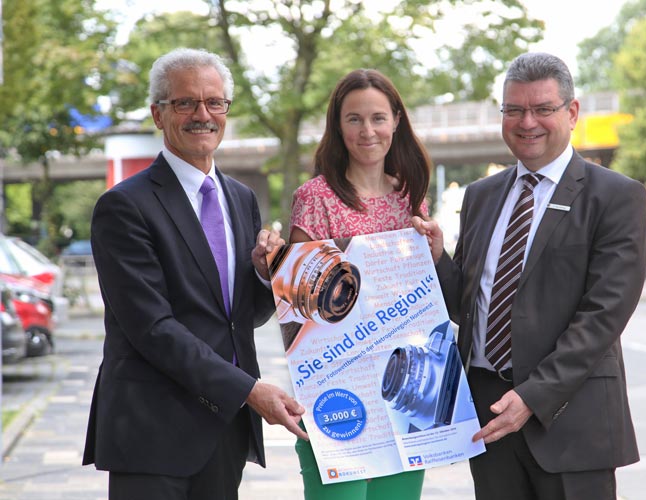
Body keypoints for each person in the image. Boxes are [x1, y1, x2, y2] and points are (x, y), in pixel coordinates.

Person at [413, 52, 646, 500]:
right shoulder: (480, 196)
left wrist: (533, 397)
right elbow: (466, 303)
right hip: (488, 416)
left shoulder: (616, 197)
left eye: (543, 109)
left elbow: (603, 315)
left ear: (572, 112)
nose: (527, 122)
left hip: (570, 421)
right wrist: (438, 258)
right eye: (514, 110)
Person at [82, 47, 308, 500]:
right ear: (157, 114)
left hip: (222, 429)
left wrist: (268, 275)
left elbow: (239, 316)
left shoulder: (241, 198)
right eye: (185, 103)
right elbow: (152, 328)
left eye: (214, 102)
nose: (202, 115)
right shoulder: (124, 206)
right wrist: (248, 390)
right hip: (151, 432)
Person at [288, 68, 431, 500]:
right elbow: (299, 308)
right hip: (338, 393)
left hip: (404, 391)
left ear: (396, 122)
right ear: (338, 126)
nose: (367, 130)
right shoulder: (314, 198)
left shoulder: (411, 197)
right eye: (354, 119)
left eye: (378, 118)